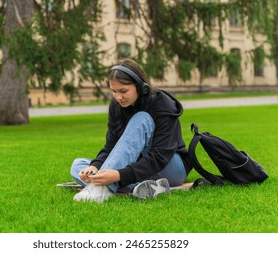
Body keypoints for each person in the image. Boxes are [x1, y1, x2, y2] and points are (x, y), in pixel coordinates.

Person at [70, 58, 191, 202]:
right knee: (79, 166)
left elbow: (159, 157)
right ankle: (138, 188)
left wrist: (119, 175)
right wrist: (95, 167)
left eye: (123, 91)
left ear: (140, 86)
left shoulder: (161, 103)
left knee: (142, 118)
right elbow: (111, 147)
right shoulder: (116, 105)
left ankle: (102, 189)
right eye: (114, 91)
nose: (118, 97)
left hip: (169, 167)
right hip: (136, 168)